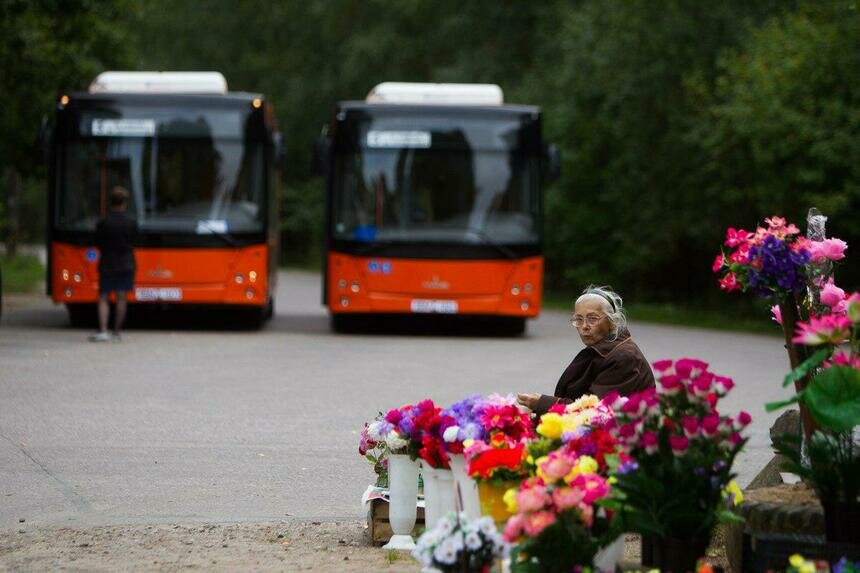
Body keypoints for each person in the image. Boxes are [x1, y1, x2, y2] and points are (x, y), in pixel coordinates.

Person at [517, 285, 655, 417]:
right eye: (578, 319)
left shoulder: (623, 358)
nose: (584, 326)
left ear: (613, 321)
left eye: (592, 319)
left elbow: (593, 412)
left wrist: (541, 403)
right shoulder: (606, 349)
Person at [89, 186, 137, 342]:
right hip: (126, 263)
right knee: (122, 297)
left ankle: (103, 330)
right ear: (125, 203)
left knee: (103, 296)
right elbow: (134, 241)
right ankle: (116, 332)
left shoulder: (103, 222)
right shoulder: (131, 222)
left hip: (108, 263)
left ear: (110, 202)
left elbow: (97, 242)